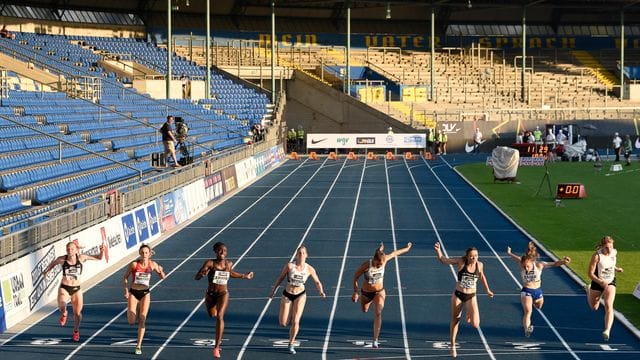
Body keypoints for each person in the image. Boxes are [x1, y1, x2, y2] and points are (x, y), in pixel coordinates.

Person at [434, 242, 493, 358]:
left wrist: (488, 290)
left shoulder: (480, 265)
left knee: (476, 324)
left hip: (471, 296)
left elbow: (482, 276)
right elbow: (444, 260)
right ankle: (452, 345)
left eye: (476, 255)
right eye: (471, 256)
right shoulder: (461, 262)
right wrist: (438, 251)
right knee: (455, 320)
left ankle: (469, 313)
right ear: (467, 256)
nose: (474, 258)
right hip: (459, 295)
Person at [195, 242, 254, 358]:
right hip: (210, 295)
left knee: (220, 316)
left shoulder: (228, 263)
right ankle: (218, 335)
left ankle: (216, 347)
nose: (222, 252)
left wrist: (244, 276)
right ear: (215, 251)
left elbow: (230, 273)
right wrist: (202, 274)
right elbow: (196, 277)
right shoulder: (210, 263)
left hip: (223, 294)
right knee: (212, 315)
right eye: (220, 250)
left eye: (224, 251)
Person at [351, 242, 412, 349]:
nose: (380, 265)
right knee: (364, 310)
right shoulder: (366, 265)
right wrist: (355, 292)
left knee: (378, 313)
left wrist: (406, 249)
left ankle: (375, 340)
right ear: (374, 260)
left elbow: (394, 253)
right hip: (366, 293)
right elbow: (355, 277)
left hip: (379, 292)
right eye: (378, 264)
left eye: (382, 264)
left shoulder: (384, 260)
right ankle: (365, 301)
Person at [42, 241, 105, 342]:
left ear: (76, 250)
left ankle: (76, 331)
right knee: (62, 305)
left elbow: (99, 258)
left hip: (76, 289)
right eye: (68, 249)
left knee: (77, 313)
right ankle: (64, 313)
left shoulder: (81, 258)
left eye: (72, 249)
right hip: (65, 287)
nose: (69, 251)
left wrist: (102, 251)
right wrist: (46, 271)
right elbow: (53, 264)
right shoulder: (62, 259)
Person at [269, 245, 326, 354]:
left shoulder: (309, 269)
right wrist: (273, 290)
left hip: (300, 294)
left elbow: (317, 281)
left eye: (303, 253)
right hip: (287, 294)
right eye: (299, 253)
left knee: (296, 321)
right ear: (296, 255)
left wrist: (321, 291)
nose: (301, 255)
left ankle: (291, 343)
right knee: (283, 323)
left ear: (306, 255)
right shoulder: (290, 266)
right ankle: (288, 315)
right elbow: (280, 278)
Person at [507, 242, 571, 337]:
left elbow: (555, 264)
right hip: (527, 291)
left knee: (539, 306)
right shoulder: (521, 263)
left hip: (538, 292)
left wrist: (564, 262)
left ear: (531, 261)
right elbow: (515, 257)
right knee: (528, 312)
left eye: (527, 266)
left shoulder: (539, 265)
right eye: (524, 267)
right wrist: (509, 253)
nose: (526, 269)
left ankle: (534, 302)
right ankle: (527, 329)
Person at [123, 244, 166, 355]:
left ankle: (138, 346)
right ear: (139, 253)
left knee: (142, 319)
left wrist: (161, 271)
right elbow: (125, 277)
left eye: (146, 252)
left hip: (145, 293)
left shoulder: (153, 264)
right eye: (142, 253)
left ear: (149, 253)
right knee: (131, 321)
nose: (144, 254)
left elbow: (162, 277)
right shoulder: (134, 265)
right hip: (133, 292)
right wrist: (126, 291)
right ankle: (132, 311)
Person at [587, 235, 623, 341]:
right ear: (602, 247)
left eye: (611, 247)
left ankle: (607, 330)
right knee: (594, 307)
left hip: (610, 281)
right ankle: (588, 290)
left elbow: (611, 264)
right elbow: (590, 273)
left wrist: (616, 269)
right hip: (598, 282)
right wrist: (600, 281)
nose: (609, 249)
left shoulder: (614, 252)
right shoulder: (597, 256)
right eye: (607, 247)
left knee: (608, 305)